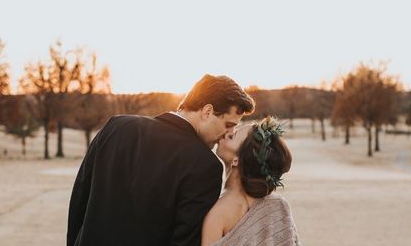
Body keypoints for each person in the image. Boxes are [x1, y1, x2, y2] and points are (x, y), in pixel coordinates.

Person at [67, 74, 255, 246]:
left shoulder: (116, 127)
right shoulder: (205, 166)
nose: (228, 134)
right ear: (207, 112)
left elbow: (78, 203)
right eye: (228, 125)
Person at [201, 117, 301, 246]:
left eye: (232, 137)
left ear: (236, 159)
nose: (227, 133)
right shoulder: (278, 205)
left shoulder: (217, 214)